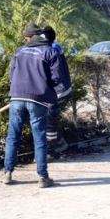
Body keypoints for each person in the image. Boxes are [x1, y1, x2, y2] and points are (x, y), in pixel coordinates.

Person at [2, 22, 67, 188]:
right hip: (38, 99)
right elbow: (57, 78)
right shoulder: (50, 51)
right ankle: (42, 177)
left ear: (28, 38)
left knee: (12, 137)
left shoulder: (19, 51)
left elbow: (11, 75)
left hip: (16, 98)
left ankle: (7, 174)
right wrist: (49, 90)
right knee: (39, 138)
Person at [42, 25, 72, 155]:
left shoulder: (51, 50)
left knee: (49, 118)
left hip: (57, 91)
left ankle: (52, 149)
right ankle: (59, 143)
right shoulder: (55, 47)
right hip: (61, 88)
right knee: (48, 118)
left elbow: (55, 74)